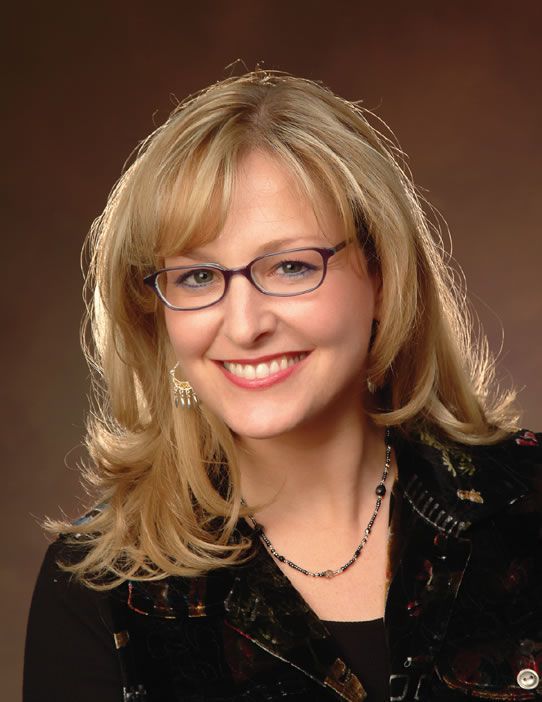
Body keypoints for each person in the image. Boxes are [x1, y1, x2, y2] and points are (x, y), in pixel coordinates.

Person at [24, 70, 541, 702]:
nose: (243, 326)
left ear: (382, 276)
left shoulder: (530, 510)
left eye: (292, 265)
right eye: (196, 277)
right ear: (156, 313)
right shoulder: (103, 587)